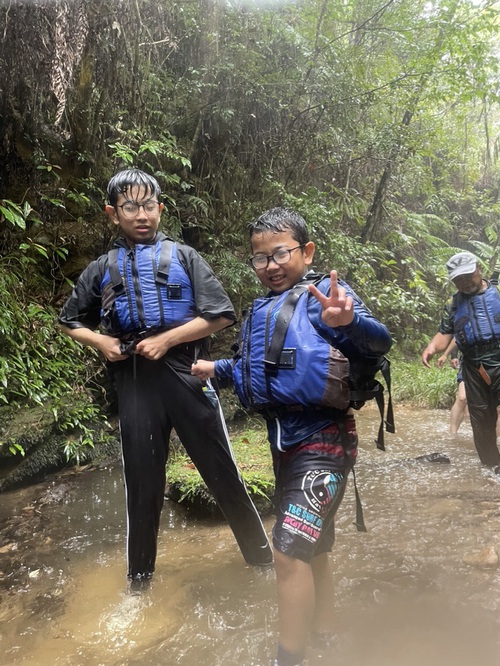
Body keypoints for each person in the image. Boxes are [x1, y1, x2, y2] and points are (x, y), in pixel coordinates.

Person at [191, 207, 392, 666]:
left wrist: (350, 323)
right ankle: (327, 634)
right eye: (260, 258)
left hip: (324, 439)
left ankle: (289, 659)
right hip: (285, 444)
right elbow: (255, 368)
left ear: (306, 251)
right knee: (312, 546)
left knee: (287, 552)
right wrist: (213, 370)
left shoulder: (325, 301)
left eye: (280, 253)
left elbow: (380, 340)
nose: (271, 265)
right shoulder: (262, 308)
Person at [58, 169, 272, 586]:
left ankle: (262, 562)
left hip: (186, 374)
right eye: (130, 206)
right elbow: (68, 321)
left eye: (149, 205)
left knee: (220, 470)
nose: (141, 215)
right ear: (112, 213)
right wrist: (101, 342)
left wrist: (167, 339)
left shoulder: (185, 257)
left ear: (161, 208)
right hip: (135, 381)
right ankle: (140, 581)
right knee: (142, 483)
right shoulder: (102, 267)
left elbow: (222, 314)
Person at [422, 251, 500, 468]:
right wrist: (432, 347)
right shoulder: (454, 304)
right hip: (474, 367)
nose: (464, 282)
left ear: (479, 269)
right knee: (481, 420)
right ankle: (493, 468)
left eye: (467, 276)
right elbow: (445, 333)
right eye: (458, 279)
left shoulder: (498, 292)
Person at [437, 339, 469, 434]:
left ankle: (495, 439)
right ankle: (452, 434)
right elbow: (458, 336)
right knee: (462, 398)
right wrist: (452, 356)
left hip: (493, 361)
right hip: (468, 361)